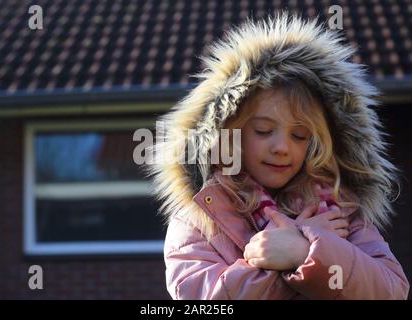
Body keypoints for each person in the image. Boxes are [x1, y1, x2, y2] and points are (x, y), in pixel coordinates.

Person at [145, 12, 410, 299]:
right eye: (262, 130)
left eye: (299, 136)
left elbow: (391, 291)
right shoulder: (201, 218)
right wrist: (294, 250)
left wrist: (305, 249)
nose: (282, 147)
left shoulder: (339, 207)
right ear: (229, 134)